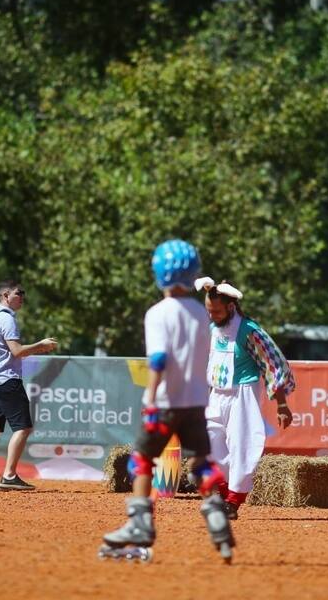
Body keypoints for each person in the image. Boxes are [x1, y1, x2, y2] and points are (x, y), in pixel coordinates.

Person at [101, 240, 235, 562]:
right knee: (201, 463)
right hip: (195, 405)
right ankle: (217, 520)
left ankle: (140, 525)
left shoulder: (157, 313)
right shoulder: (201, 315)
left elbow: (159, 359)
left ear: (158, 272)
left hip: (165, 404)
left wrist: (150, 395)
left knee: (142, 461)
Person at [196, 276, 295, 519]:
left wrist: (282, 405)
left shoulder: (249, 331)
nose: (212, 316)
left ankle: (233, 501)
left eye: (216, 312)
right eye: (209, 311)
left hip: (243, 393)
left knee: (241, 446)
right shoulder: (211, 328)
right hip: (216, 394)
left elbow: (273, 365)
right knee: (208, 445)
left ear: (230, 307)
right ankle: (221, 491)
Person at [0, 280, 57, 491]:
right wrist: (41, 345)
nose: (22, 297)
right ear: (5, 296)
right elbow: (17, 351)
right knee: (23, 428)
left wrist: (33, 349)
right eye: (18, 293)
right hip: (7, 380)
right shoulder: (6, 319)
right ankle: (9, 475)